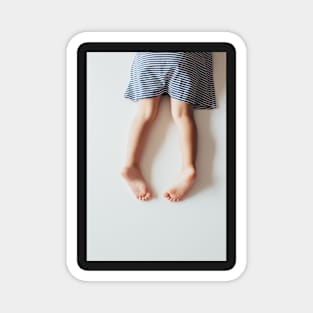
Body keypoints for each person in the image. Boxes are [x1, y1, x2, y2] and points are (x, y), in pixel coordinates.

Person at [121, 51, 217, 202]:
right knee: (182, 115)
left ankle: (130, 165)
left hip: (148, 57)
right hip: (184, 56)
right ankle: (188, 167)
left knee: (144, 114)